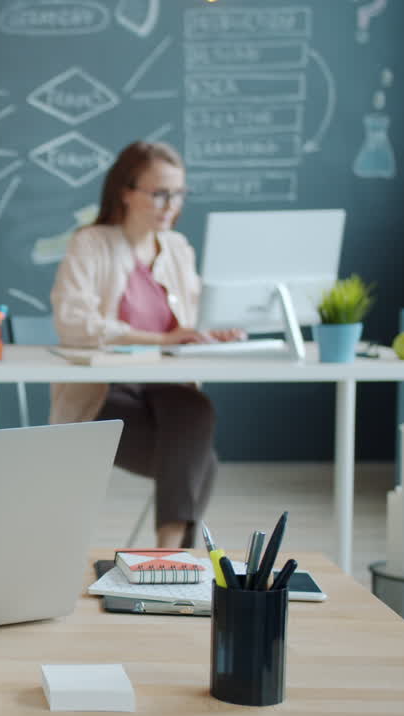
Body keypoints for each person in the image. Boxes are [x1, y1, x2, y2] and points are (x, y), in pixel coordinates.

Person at [50, 140, 244, 548]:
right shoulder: (91, 243)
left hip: (166, 395)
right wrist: (161, 338)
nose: (170, 205)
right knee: (200, 459)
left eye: (178, 194)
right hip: (103, 398)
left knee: (194, 414)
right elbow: (74, 324)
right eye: (159, 193)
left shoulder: (177, 248)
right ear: (126, 191)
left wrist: (212, 332)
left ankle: (164, 557)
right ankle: (170, 556)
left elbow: (190, 324)